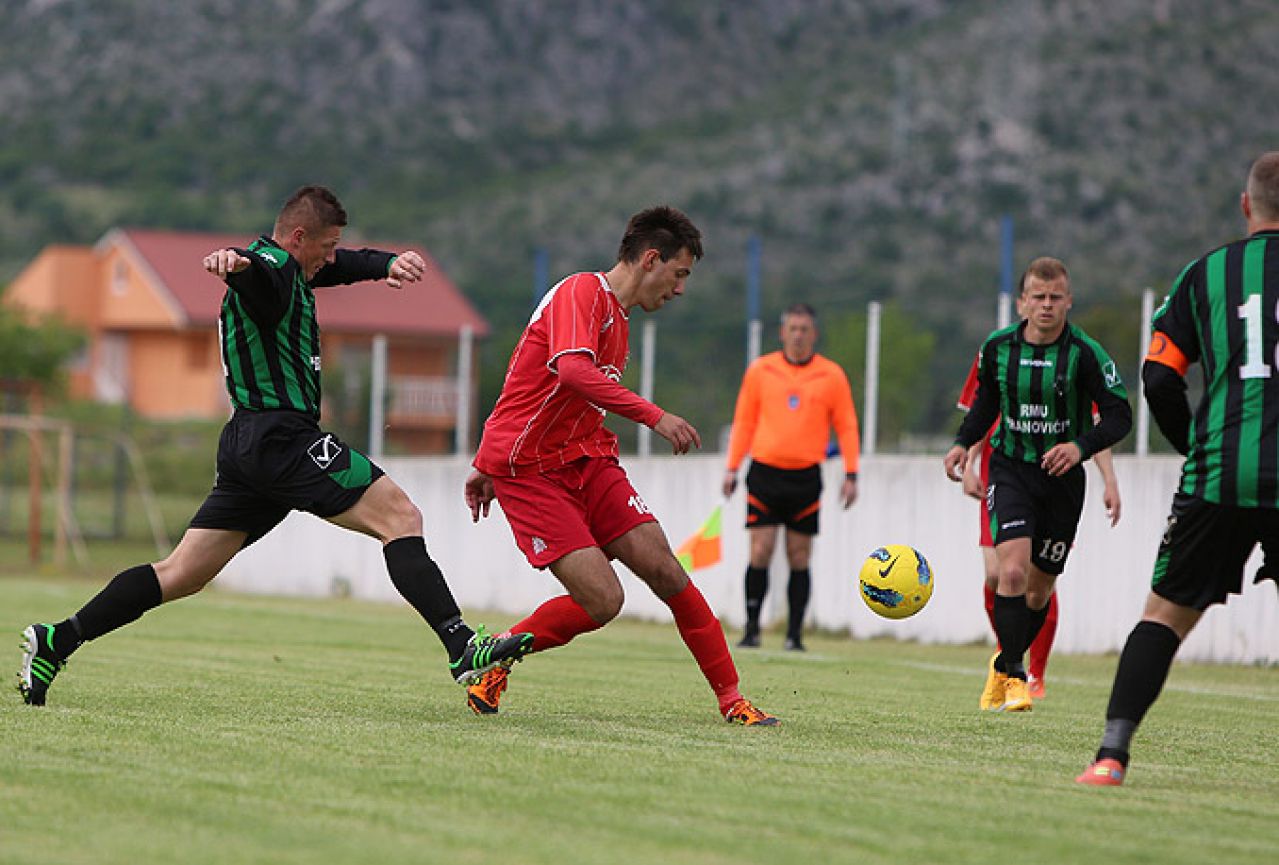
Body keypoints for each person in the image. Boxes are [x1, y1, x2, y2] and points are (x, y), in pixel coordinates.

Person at [17, 185, 532, 707]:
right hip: (282, 439)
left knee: (182, 573)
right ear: (299, 238)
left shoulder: (293, 267)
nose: (331, 259)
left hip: (248, 444)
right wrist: (234, 265)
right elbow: (257, 276)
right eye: (327, 247)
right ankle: (462, 647)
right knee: (400, 517)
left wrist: (386, 263)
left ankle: (57, 640)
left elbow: (333, 267)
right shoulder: (271, 269)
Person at [462, 205, 778, 726]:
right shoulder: (580, 293)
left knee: (666, 570)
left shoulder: (620, 319)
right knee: (603, 600)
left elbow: (527, 385)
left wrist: (482, 456)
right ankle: (497, 654)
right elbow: (569, 372)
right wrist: (655, 417)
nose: (680, 290)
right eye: (679, 274)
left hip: (588, 458)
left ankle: (732, 700)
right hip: (531, 471)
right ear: (651, 259)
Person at [1077, 153, 1279, 786]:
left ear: (1246, 206)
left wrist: (1195, 445)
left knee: (1164, 616)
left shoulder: (1206, 274)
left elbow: (1159, 377)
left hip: (1219, 472)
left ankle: (1111, 757)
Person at [943, 256, 1132, 713]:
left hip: (1063, 481)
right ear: (1022, 302)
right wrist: (962, 444)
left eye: (1055, 298)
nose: (1046, 306)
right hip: (1010, 469)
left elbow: (1119, 415)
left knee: (1039, 590)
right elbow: (986, 402)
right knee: (1009, 571)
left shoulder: (1085, 354)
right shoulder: (998, 348)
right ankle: (1016, 677)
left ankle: (1004, 664)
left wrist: (1080, 448)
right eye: (1038, 298)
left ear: (1068, 301)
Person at [722, 303, 860, 651]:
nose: (798, 335)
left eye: (805, 329)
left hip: (805, 477)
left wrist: (851, 472)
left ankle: (793, 635)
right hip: (765, 473)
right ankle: (752, 629)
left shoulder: (831, 375)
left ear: (813, 334)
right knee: (761, 550)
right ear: (783, 333)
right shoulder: (761, 370)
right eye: (793, 329)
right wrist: (732, 467)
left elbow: (846, 425)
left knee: (799, 556)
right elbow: (745, 421)